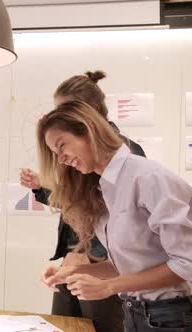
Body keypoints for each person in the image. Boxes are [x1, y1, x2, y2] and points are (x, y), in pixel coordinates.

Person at [37, 100, 192, 332]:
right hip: (134, 315)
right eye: (55, 154)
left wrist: (109, 287)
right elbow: (130, 265)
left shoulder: (148, 178)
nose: (61, 160)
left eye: (62, 147)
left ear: (88, 130)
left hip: (169, 318)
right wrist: (75, 271)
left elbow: (186, 263)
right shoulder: (103, 188)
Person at [19, 70, 145, 332]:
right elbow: (76, 201)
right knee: (65, 326)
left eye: (63, 111)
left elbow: (119, 223)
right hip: (77, 259)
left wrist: (89, 258)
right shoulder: (84, 157)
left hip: (99, 266)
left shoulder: (125, 155)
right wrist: (43, 186)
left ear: (86, 113)